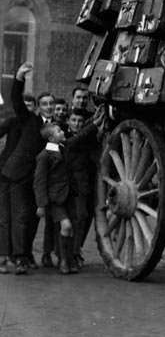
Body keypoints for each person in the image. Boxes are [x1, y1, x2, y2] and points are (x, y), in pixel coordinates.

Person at [34, 121, 78, 274]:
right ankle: (64, 261)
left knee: (71, 229)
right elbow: (39, 181)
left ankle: (67, 259)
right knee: (66, 226)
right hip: (54, 199)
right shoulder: (44, 156)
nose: (62, 132)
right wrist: (41, 204)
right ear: (51, 139)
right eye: (59, 131)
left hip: (68, 196)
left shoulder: (63, 149)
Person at [0, 93, 35, 274]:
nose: (27, 109)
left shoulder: (35, 125)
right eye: (25, 105)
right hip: (4, 172)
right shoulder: (12, 122)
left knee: (20, 216)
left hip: (22, 176)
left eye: (30, 106)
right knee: (4, 217)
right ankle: (2, 256)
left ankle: (19, 255)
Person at [66, 106, 104, 268]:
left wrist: (94, 122)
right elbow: (74, 142)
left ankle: (74, 253)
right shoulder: (63, 136)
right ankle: (60, 254)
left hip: (81, 186)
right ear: (68, 122)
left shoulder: (86, 138)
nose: (77, 124)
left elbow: (88, 138)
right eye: (73, 120)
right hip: (64, 186)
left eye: (80, 121)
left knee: (80, 218)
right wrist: (93, 123)